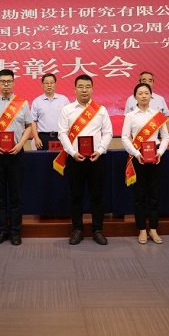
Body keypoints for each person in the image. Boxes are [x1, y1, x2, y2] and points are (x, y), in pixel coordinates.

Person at [0, 69, 33, 246]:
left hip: (16, 154)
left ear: (14, 82)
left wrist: (21, 144)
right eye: (3, 81)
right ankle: (1, 231)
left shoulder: (22, 103)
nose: (6, 84)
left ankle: (15, 231)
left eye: (9, 81)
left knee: (16, 195)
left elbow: (29, 126)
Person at [56, 74, 113, 246]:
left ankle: (97, 230)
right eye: (80, 86)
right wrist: (72, 152)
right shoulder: (67, 110)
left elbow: (108, 132)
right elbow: (62, 133)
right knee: (76, 196)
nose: (84, 90)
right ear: (75, 89)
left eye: (87, 86)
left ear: (92, 89)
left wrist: (100, 150)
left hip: (96, 159)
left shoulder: (100, 110)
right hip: (75, 160)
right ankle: (77, 230)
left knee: (97, 196)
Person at [121, 82, 169, 244]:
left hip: (156, 158)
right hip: (138, 158)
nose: (143, 96)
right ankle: (142, 229)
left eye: (146, 93)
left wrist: (160, 152)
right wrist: (136, 154)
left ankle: (154, 229)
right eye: (140, 93)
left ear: (151, 96)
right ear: (135, 97)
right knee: (139, 196)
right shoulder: (130, 116)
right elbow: (124, 138)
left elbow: (165, 136)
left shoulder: (158, 115)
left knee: (155, 195)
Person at [30, 73, 70, 150]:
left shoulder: (64, 100)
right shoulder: (37, 101)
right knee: (43, 158)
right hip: (43, 138)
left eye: (51, 83)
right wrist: (36, 138)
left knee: (60, 158)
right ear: (42, 85)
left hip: (60, 136)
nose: (49, 85)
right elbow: (33, 122)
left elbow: (69, 119)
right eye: (46, 83)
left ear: (55, 84)